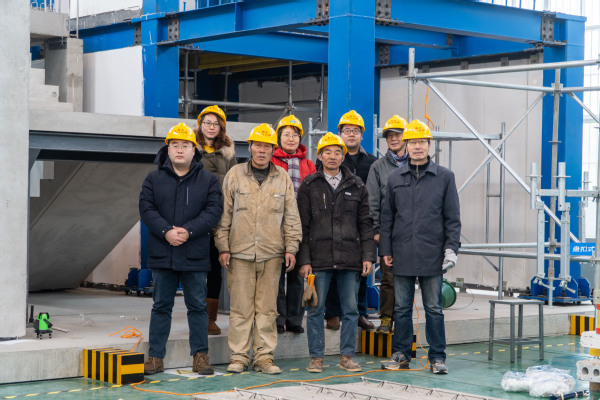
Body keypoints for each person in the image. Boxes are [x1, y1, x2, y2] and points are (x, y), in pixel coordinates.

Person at [215, 123, 302, 375]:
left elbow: (291, 216)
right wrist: (223, 246)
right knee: (241, 309)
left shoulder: (282, 177)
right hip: (239, 253)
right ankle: (239, 357)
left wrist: (291, 247)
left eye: (267, 146)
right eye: (258, 145)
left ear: (273, 150)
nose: (262, 150)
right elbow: (224, 214)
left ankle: (264, 358)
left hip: (272, 254)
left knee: (267, 310)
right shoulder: (235, 174)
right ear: (250, 147)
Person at [139, 123, 223, 376]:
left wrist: (188, 231)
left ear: (193, 150)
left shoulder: (208, 180)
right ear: (168, 149)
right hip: (163, 253)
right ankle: (155, 357)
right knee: (161, 306)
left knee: (197, 306)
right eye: (174, 145)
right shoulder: (153, 179)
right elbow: (146, 209)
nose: (179, 149)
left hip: (194, 253)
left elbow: (213, 210)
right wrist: (166, 231)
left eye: (185, 145)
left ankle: (200, 356)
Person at [379, 119, 461, 374]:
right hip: (402, 253)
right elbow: (387, 217)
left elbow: (452, 218)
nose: (417, 146)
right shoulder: (395, 178)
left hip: (432, 254)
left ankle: (437, 358)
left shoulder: (444, 177)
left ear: (429, 145)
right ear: (406, 144)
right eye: (413, 142)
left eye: (422, 142)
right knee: (401, 308)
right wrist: (386, 250)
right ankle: (401, 354)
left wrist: (451, 249)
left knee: (434, 309)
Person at [297, 132, 376, 373]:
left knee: (351, 310)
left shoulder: (357, 185)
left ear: (343, 157)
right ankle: (316, 358)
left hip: (350, 258)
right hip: (318, 260)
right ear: (319, 156)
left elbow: (366, 224)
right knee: (315, 310)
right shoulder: (309, 185)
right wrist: (304, 260)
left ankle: (347, 356)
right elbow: (302, 226)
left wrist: (368, 256)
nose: (332, 156)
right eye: (327, 152)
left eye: (337, 152)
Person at [321, 110, 377, 331]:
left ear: (362, 134)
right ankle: (333, 313)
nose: (351, 134)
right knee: (332, 270)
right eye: (346, 130)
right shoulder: (327, 161)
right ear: (340, 133)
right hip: (332, 224)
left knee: (361, 272)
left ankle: (360, 313)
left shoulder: (372, 163)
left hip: (359, 224)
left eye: (355, 131)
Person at [271, 115, 316, 334]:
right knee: (277, 276)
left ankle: (295, 319)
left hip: (301, 228)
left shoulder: (308, 164)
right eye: (286, 134)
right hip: (275, 227)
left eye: (295, 135)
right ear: (278, 138)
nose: (291, 139)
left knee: (298, 276)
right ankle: (278, 319)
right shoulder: (271, 162)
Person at [194, 105, 236, 335]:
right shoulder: (190, 147)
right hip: (194, 215)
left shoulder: (228, 152)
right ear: (200, 125)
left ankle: (210, 319)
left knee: (214, 268)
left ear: (221, 128)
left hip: (219, 216)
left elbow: (235, 183)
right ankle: (196, 315)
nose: (211, 127)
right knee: (194, 269)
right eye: (207, 122)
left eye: (216, 124)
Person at [365, 115, 408, 334]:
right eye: (389, 136)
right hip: (388, 233)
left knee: (408, 279)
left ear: (406, 137)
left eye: (397, 135)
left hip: (412, 233)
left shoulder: (416, 164)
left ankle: (403, 321)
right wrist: (376, 230)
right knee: (388, 279)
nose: (393, 139)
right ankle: (386, 319)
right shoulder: (378, 167)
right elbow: (372, 201)